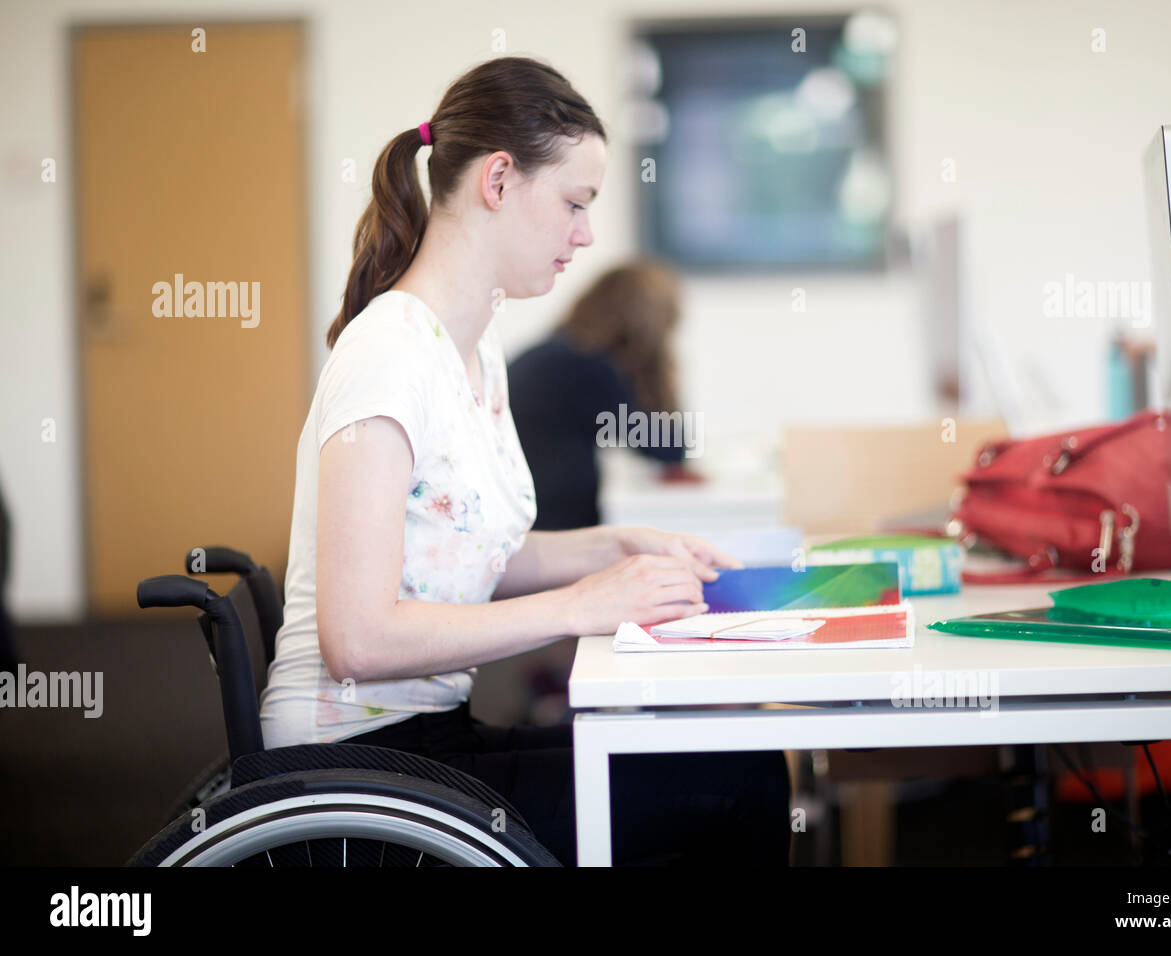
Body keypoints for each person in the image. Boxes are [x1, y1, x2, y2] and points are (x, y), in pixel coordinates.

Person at [258, 56, 790, 866]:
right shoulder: (390, 356)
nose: (585, 235)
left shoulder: (475, 351)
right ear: (498, 181)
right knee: (734, 784)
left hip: (429, 735)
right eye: (575, 203)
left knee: (729, 756)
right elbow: (356, 639)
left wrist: (622, 549)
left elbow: (470, 558)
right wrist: (582, 604)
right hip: (356, 768)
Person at [508, 260, 696, 530]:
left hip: (531, 516)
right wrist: (659, 368)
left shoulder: (559, 351)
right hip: (551, 527)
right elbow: (667, 448)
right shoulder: (584, 364)